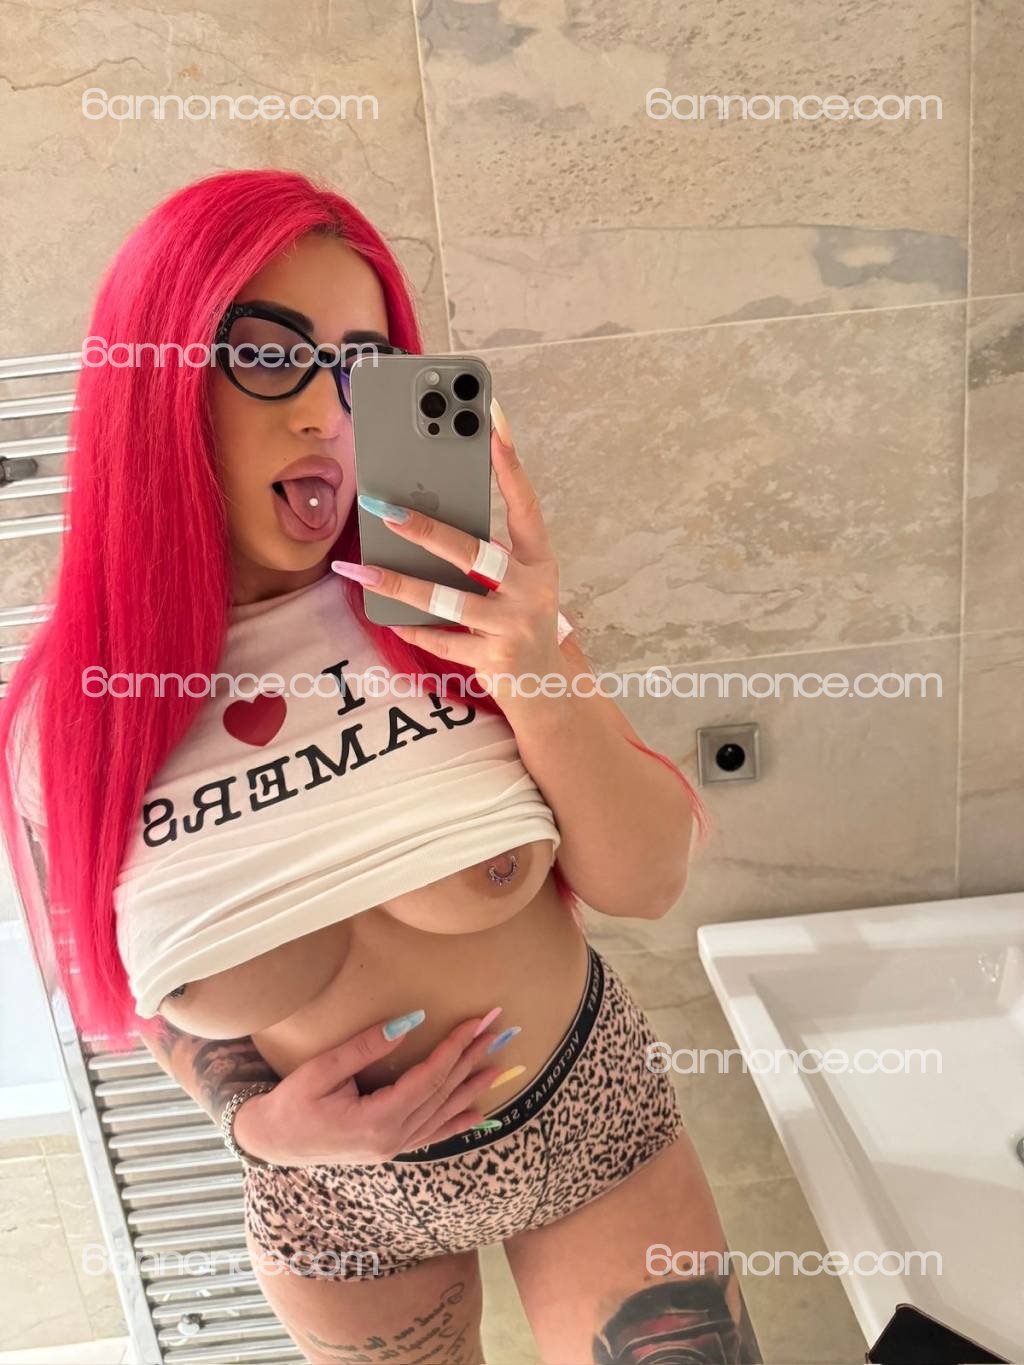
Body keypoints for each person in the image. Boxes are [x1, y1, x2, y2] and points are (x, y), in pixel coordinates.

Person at [0, 168, 763, 1364]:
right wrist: (255, 1125)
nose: (327, 410)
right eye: (269, 356)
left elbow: (647, 879)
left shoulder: (456, 606)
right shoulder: (72, 719)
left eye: (364, 364)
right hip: (337, 1213)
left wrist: (532, 660)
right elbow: (128, 979)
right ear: (158, 384)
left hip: (587, 1124)